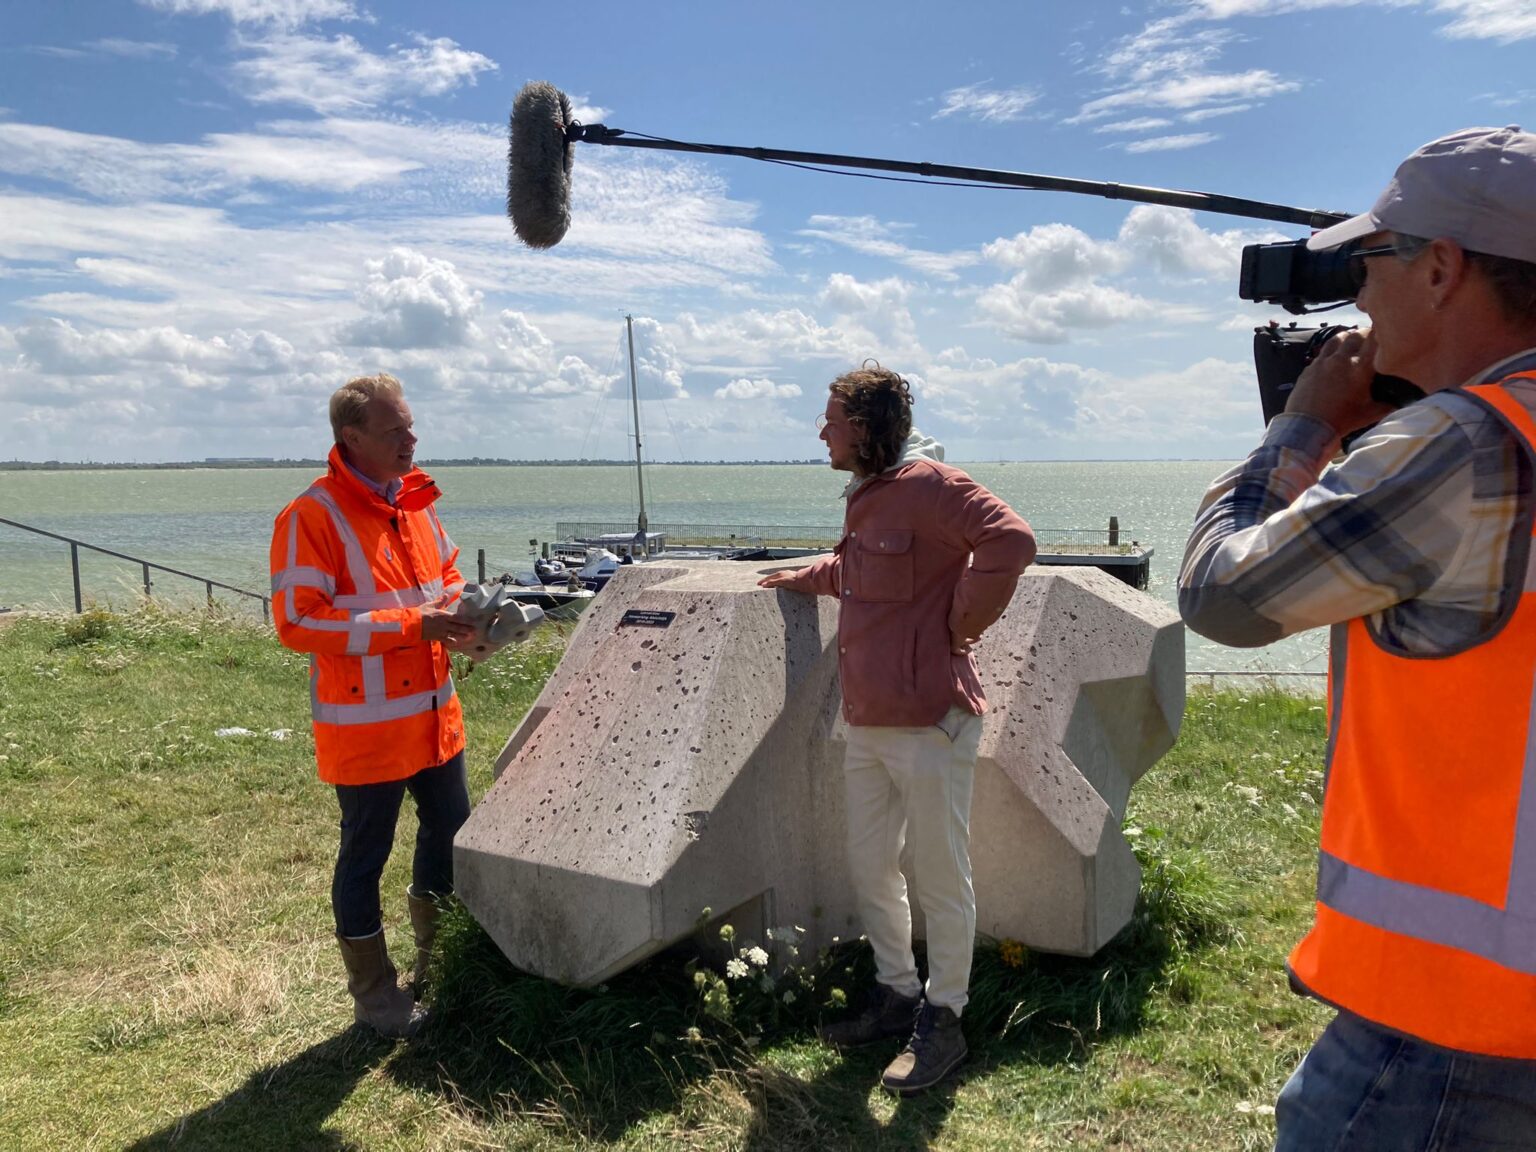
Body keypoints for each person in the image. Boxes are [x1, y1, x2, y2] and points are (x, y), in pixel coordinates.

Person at [1179, 126, 1536, 1149]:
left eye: (1368, 263)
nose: (1358, 298)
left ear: (1442, 268)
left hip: (1455, 1025)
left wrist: (1299, 431)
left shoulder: (1462, 443)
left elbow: (1222, 597)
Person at [759, 362, 1036, 1094]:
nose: (821, 433)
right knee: (871, 865)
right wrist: (801, 576)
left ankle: (945, 1020)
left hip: (931, 721)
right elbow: (859, 573)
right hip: (869, 722)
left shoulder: (931, 485)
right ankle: (896, 993)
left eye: (831, 422)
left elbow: (1011, 540)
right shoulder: (870, 495)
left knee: (941, 874)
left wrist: (961, 622)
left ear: (864, 428)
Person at [269, 373, 478, 1039]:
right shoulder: (311, 516)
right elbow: (298, 622)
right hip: (367, 728)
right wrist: (415, 625)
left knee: (449, 834)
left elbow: (446, 576)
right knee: (365, 856)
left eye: (410, 426)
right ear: (351, 438)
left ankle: (437, 964)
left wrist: (467, 615)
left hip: (434, 716)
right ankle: (376, 997)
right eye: (394, 431)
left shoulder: (414, 500)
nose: (411, 440)